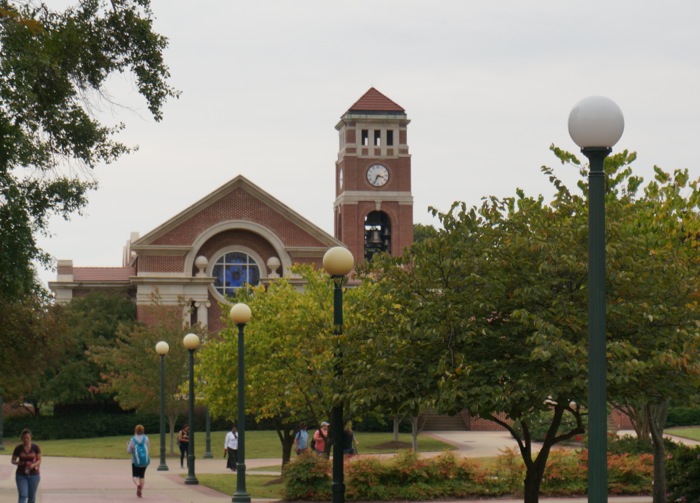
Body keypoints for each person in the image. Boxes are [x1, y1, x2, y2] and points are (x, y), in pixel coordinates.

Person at [11, 428, 42, 503]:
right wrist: (18, 463)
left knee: (31, 496)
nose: (26, 440)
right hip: (21, 475)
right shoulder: (18, 448)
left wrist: (33, 465)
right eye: (24, 438)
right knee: (23, 494)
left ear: (31, 437)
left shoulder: (35, 447)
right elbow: (13, 460)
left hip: (34, 475)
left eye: (27, 438)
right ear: (21, 438)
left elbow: (39, 460)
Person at [127, 424, 150, 498]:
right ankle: (141, 491)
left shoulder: (133, 439)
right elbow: (148, 446)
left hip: (135, 461)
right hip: (144, 460)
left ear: (135, 430)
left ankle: (138, 486)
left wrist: (128, 445)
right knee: (142, 476)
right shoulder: (146, 438)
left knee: (135, 476)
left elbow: (129, 451)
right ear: (143, 430)